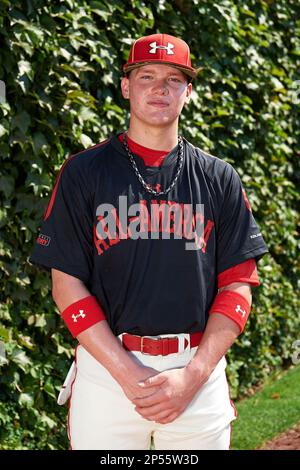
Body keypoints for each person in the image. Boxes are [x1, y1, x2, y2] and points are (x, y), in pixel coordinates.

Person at [29, 33, 269, 450]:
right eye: (146, 75)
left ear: (188, 92)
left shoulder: (219, 178)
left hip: (196, 369)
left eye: (174, 78)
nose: (160, 88)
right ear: (126, 86)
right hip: (108, 371)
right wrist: (126, 373)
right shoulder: (84, 173)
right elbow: (65, 283)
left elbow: (239, 283)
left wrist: (193, 375)